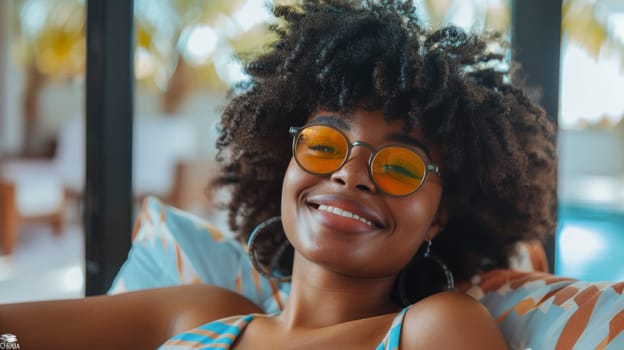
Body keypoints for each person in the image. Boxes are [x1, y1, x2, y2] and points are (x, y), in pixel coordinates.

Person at [0, 0, 557, 349]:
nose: (349, 174)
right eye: (323, 144)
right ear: (284, 162)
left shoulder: (436, 329)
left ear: (439, 217)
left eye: (400, 165)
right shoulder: (199, 313)